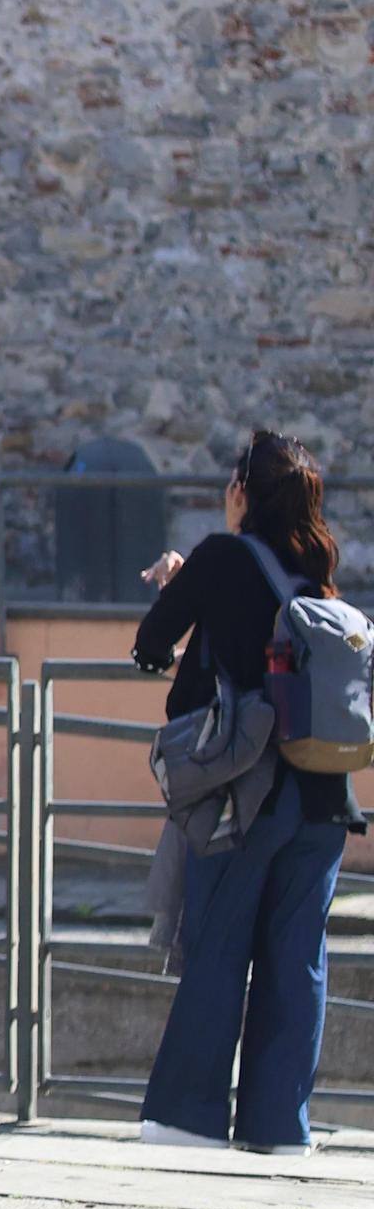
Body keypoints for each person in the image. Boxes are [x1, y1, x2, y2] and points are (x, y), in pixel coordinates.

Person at [133, 431, 362, 1153]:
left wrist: (183, 581)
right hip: (325, 799)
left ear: (242, 493)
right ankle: (280, 1129)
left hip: (246, 796)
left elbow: (151, 647)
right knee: (299, 964)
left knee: (220, 950)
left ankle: (186, 1122)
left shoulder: (222, 556)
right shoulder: (319, 575)